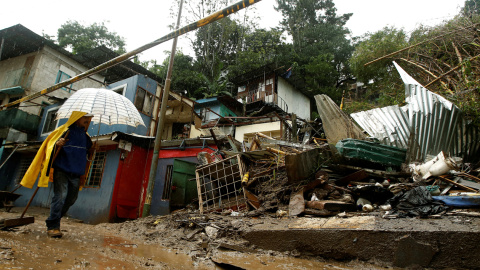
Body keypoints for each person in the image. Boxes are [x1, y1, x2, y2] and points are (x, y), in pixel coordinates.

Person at [20, 111, 94, 238]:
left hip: (76, 173)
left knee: (71, 199)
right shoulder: (64, 131)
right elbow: (50, 146)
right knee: (60, 196)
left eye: (89, 118)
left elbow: (87, 153)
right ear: (77, 118)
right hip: (62, 170)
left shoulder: (86, 137)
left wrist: (92, 148)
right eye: (85, 118)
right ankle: (53, 226)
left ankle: (53, 219)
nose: (88, 120)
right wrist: (56, 144)